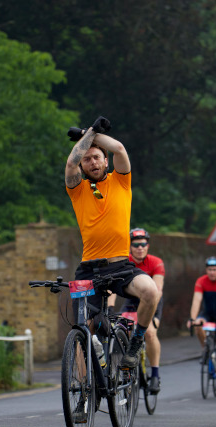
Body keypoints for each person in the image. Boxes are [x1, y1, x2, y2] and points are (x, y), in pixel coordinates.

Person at [65, 117, 159, 376]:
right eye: (88, 159)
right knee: (82, 332)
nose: (92, 162)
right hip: (88, 271)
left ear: (105, 162)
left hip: (121, 266)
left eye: (97, 157)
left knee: (150, 292)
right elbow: (71, 161)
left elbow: (118, 148)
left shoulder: (121, 181)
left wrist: (87, 133)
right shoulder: (78, 189)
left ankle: (136, 340)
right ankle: (83, 396)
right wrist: (92, 133)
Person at [108, 228, 165, 394]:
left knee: (150, 333)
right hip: (131, 301)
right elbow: (113, 288)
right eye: (136, 245)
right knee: (120, 328)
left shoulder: (156, 262)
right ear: (130, 247)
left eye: (143, 244)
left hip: (152, 300)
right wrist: (111, 308)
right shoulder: (125, 261)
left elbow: (158, 288)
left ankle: (155, 374)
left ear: (147, 245)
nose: (140, 248)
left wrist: (153, 315)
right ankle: (126, 367)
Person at [186, 256, 216, 390]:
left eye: (214, 269)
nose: (212, 272)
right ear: (206, 270)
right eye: (209, 269)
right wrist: (192, 318)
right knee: (198, 324)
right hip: (207, 314)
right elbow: (197, 300)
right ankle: (205, 348)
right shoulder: (201, 281)